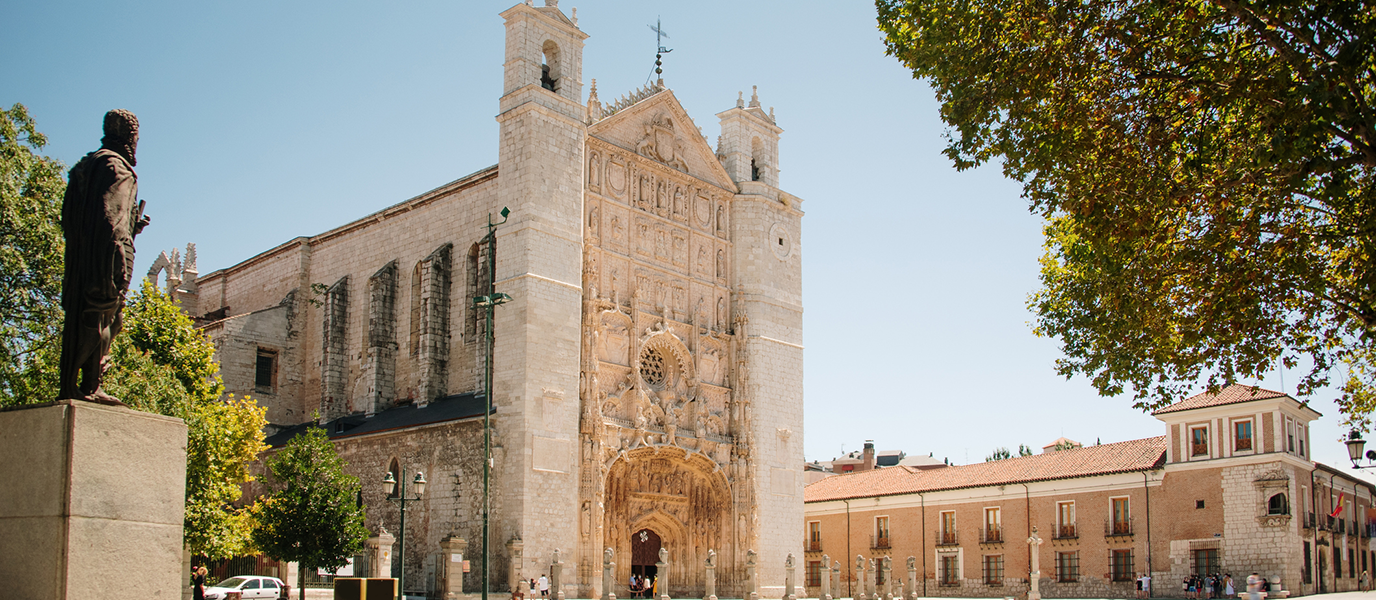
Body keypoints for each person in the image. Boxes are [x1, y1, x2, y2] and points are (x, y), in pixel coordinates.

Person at [58, 108, 150, 402]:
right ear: (131, 137)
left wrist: (133, 225)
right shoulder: (117, 168)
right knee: (104, 319)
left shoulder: (86, 166)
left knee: (90, 317)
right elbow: (110, 220)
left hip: (82, 257)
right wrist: (116, 259)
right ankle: (89, 386)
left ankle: (77, 384)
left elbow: (73, 216)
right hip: (107, 257)